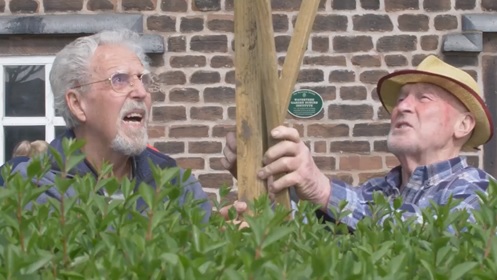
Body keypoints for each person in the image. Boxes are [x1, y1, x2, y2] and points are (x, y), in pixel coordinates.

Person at [220, 55, 494, 229]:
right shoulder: (378, 190)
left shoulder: (480, 190)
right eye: (400, 99)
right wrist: (261, 187)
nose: (403, 107)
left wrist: (322, 188)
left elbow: (433, 236)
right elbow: (316, 233)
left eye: (423, 98)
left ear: (464, 125)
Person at [1, 29, 211, 221]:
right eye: (119, 79)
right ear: (77, 104)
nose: (141, 92)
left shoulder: (175, 183)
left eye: (142, 79)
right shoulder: (33, 188)